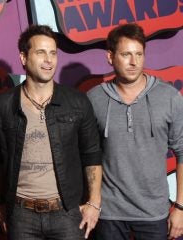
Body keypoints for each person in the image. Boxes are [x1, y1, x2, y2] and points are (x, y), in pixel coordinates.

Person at [0, 24, 102, 240]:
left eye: (53, 53)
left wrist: (94, 203)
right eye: (41, 53)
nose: (49, 60)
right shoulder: (3, 105)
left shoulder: (77, 102)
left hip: (68, 212)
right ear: (23, 57)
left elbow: (92, 154)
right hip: (21, 215)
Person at [87, 23, 183, 240]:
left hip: (154, 213)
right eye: (126, 54)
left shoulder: (168, 97)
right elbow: (88, 157)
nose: (134, 62)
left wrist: (180, 207)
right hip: (109, 213)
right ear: (110, 57)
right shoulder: (94, 99)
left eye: (139, 54)